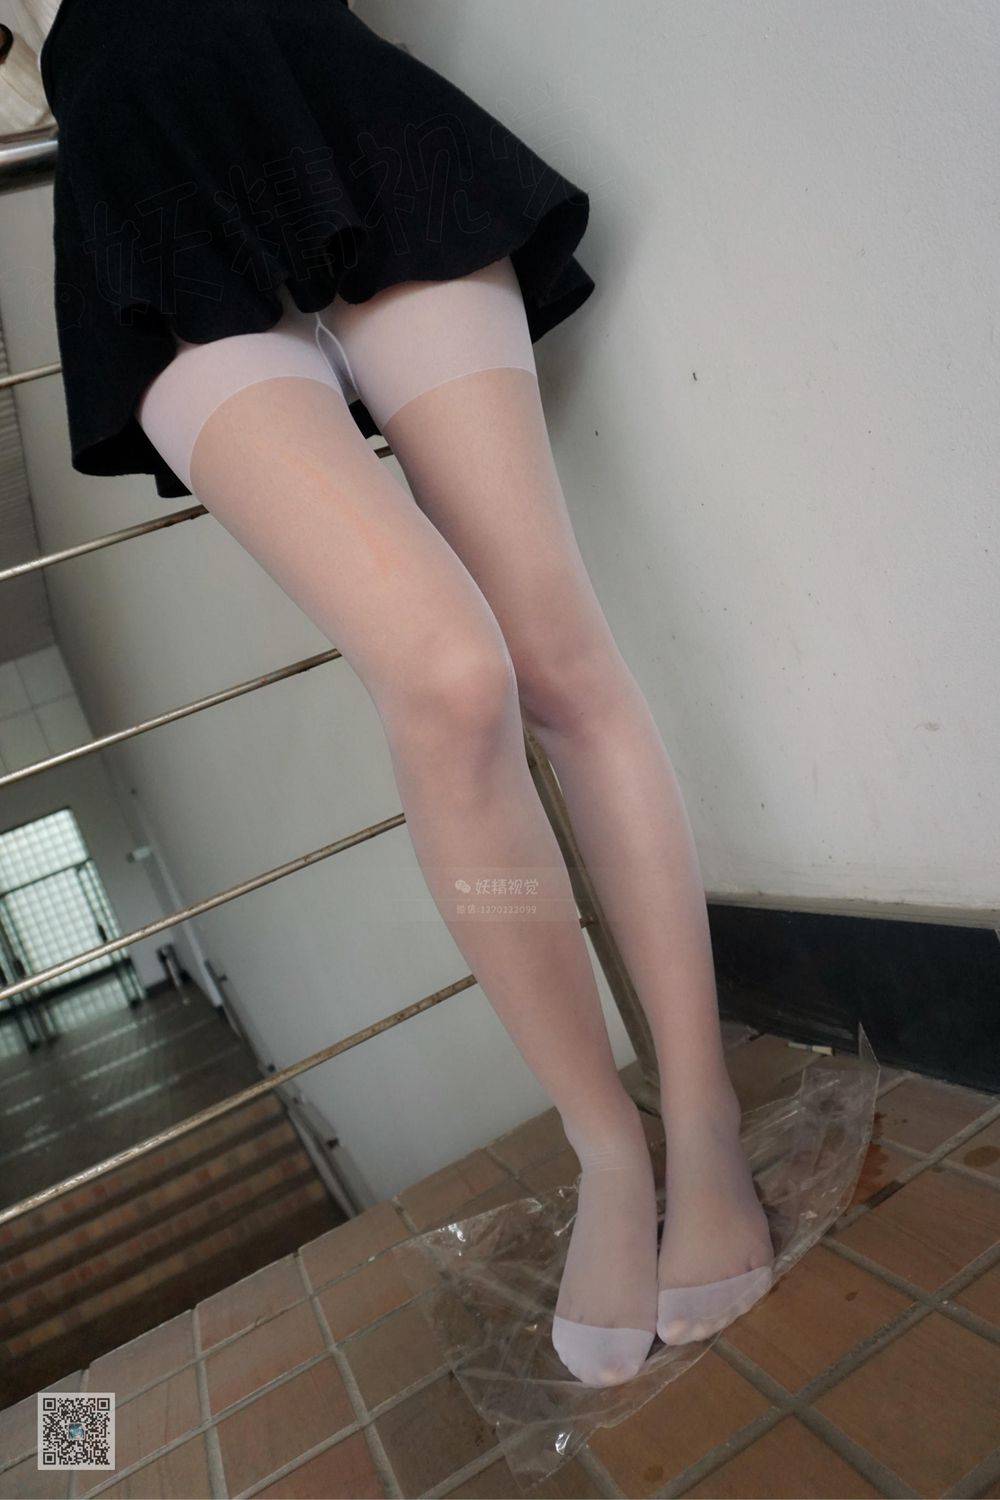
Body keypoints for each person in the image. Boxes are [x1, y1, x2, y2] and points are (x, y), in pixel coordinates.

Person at [2, 0, 774, 1387]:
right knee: (446, 675)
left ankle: (701, 1111)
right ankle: (606, 1142)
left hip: (322, 88)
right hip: (139, 180)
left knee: (555, 655)